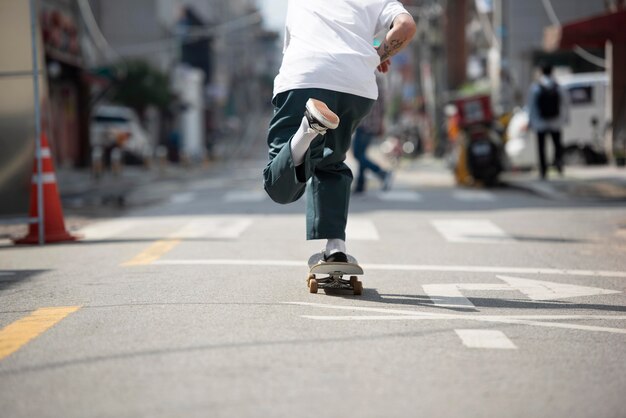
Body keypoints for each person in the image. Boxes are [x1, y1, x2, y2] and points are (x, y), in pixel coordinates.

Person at [263, 0, 416, 263]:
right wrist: (377, 56)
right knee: (331, 162)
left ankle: (306, 130)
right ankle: (336, 249)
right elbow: (406, 26)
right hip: (356, 85)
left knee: (278, 186)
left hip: (304, 76)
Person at [527, 63, 570, 180]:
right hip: (556, 121)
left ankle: (543, 171)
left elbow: (531, 106)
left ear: (541, 71)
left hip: (540, 122)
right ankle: (559, 166)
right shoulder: (558, 86)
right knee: (557, 145)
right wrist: (565, 119)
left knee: (541, 147)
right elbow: (565, 104)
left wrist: (530, 121)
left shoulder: (536, 87)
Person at [352, 81, 392, 194]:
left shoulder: (372, 78)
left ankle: (382, 173)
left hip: (366, 123)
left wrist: (381, 124)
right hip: (369, 123)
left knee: (358, 154)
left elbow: (382, 104)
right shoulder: (377, 80)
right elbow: (383, 105)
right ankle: (360, 185)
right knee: (361, 154)